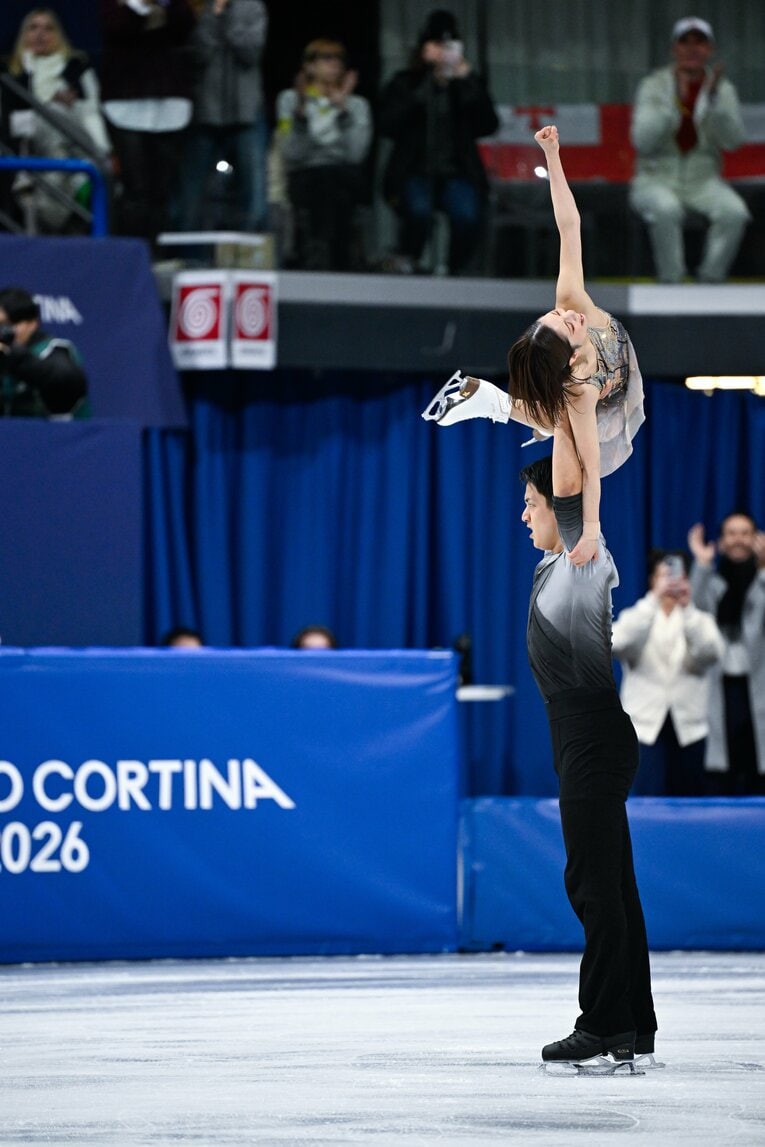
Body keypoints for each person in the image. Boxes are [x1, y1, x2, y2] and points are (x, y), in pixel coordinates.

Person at [423, 124, 644, 566]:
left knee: (557, 423)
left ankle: (491, 400)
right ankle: (491, 401)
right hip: (599, 387)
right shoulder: (578, 388)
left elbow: (569, 224)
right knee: (567, 451)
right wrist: (589, 536)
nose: (567, 314)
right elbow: (592, 468)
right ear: (569, 353)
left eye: (558, 315)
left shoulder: (571, 299)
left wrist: (553, 155)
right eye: (563, 324)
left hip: (617, 363)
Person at [520, 445, 657, 1072]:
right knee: (615, 887)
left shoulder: (581, 557)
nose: (524, 514)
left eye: (531, 502)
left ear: (561, 507)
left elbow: (575, 470)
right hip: (585, 738)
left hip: (594, 739)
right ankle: (634, 1023)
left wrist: (531, 403)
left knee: (594, 886)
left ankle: (602, 1023)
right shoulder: (553, 566)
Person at [377, 8, 498, 276]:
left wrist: (466, 80)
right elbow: (387, 124)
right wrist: (425, 85)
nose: (443, 53)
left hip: (458, 171)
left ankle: (458, 271)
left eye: (448, 46)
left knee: (466, 215)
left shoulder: (465, 84)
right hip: (414, 169)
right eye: (437, 46)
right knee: (418, 212)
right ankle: (409, 261)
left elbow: (488, 124)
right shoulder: (406, 82)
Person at [629, 16, 750, 284]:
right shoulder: (654, 86)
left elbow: (733, 141)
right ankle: (671, 282)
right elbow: (642, 140)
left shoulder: (723, 89)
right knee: (666, 208)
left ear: (710, 50)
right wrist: (674, 103)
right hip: (655, 177)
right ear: (675, 49)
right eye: (685, 42)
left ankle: (710, 279)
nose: (692, 49)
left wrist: (715, 101)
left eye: (700, 42)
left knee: (734, 212)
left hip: (703, 179)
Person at [612, 549, 724, 796]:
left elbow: (712, 652)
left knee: (690, 804)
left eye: (679, 576)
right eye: (665, 576)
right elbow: (616, 642)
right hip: (644, 729)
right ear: (653, 580)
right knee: (644, 803)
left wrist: (688, 610)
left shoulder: (699, 619)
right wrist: (653, 600)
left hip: (690, 730)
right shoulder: (637, 615)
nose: (672, 582)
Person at [2, 8, 113, 233]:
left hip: (76, 137)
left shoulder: (76, 66)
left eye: (48, 28)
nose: (40, 34)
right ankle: (71, 191)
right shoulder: (10, 73)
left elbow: (91, 110)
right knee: (50, 114)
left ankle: (53, 211)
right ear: (23, 34)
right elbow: (8, 119)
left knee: (58, 113)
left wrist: (105, 150)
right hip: (26, 141)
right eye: (33, 28)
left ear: (59, 35)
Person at [99, 0, 195, 243]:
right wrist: (145, 12)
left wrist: (159, 11)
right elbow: (119, 28)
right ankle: (132, 255)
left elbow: (183, 23)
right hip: (125, 105)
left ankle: (157, 252)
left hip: (170, 105)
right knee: (135, 189)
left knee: (161, 191)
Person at [275, 39, 372, 271]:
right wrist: (300, 118)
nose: (334, 66)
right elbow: (290, 151)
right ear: (309, 66)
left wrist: (343, 112)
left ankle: (323, 258)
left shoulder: (357, 105)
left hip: (343, 176)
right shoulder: (289, 100)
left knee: (335, 179)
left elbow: (356, 153)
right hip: (306, 175)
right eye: (326, 59)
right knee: (323, 180)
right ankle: (332, 260)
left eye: (338, 60)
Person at [175, 0, 269, 233]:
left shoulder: (253, 7)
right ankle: (189, 255)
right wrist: (213, 16)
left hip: (246, 111)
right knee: (191, 190)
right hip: (206, 111)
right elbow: (198, 53)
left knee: (254, 189)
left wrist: (227, 21)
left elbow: (250, 52)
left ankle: (250, 252)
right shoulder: (198, 8)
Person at [688, 513, 765, 795]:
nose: (739, 540)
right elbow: (695, 616)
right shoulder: (713, 581)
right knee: (723, 767)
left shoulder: (762, 579)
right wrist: (702, 563)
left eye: (745, 533)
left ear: (757, 538)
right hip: (721, 689)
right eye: (732, 533)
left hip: (758, 687)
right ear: (722, 541)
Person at [0, 286, 88, 418]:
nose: (3, 331)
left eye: (8, 324)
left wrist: (13, 355)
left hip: (57, 435)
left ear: (32, 323)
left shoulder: (56, 349)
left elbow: (63, 381)